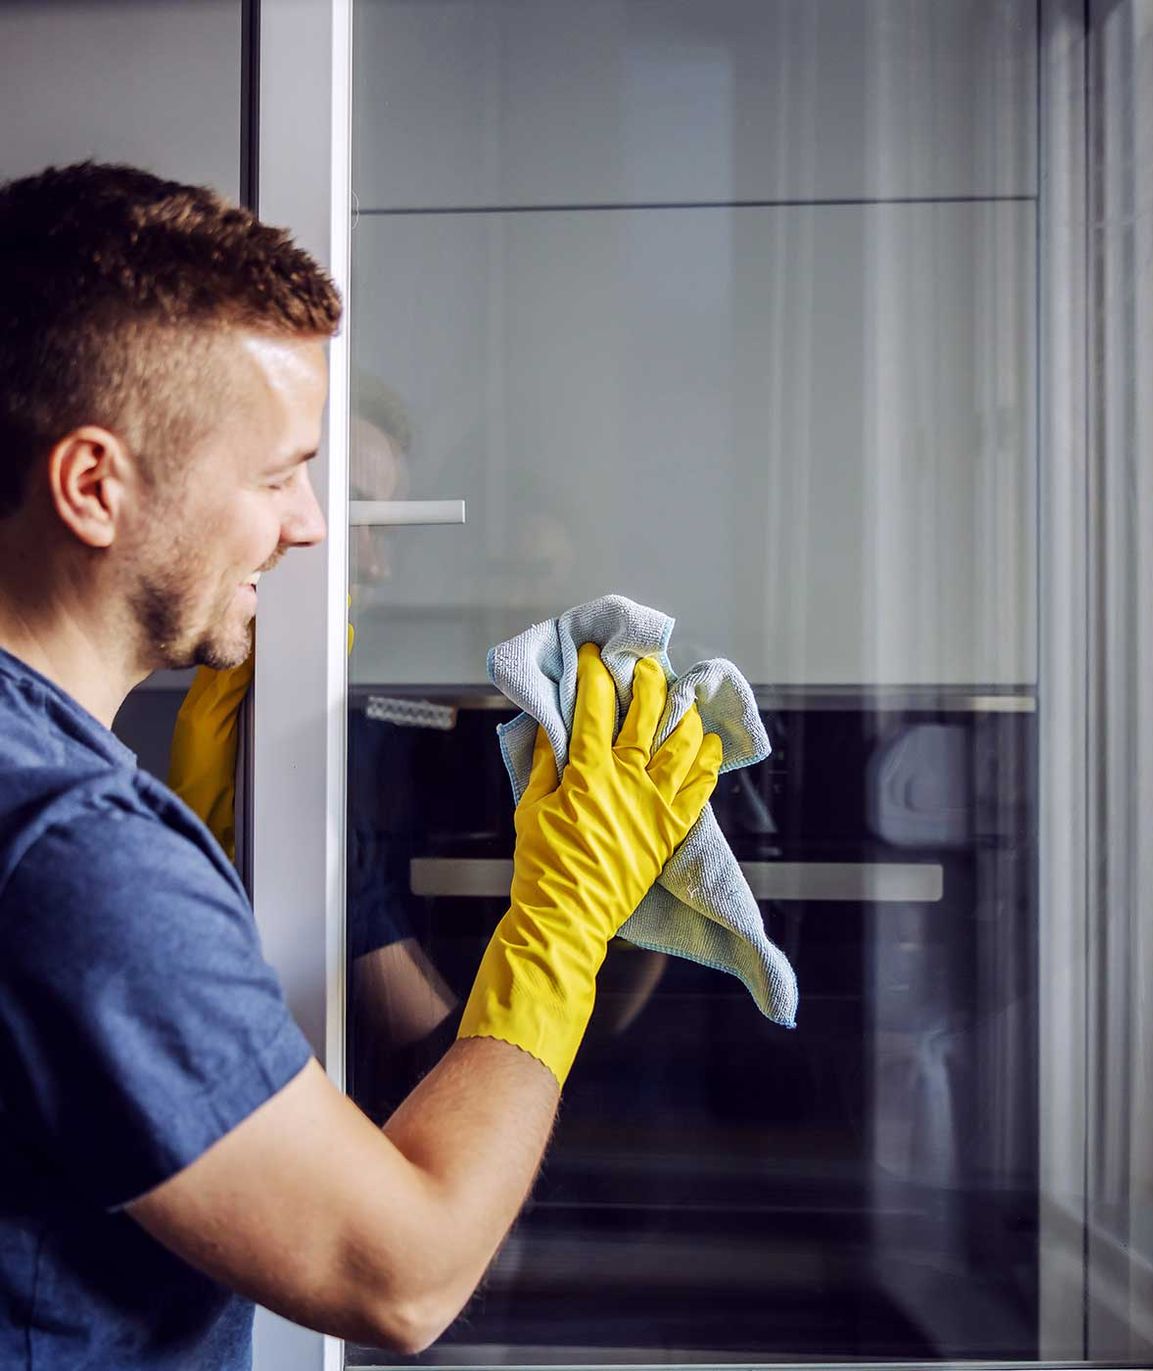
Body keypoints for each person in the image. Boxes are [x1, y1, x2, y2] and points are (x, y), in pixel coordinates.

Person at [0, 161, 722, 1370]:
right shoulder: (73, 848)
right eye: (278, 472)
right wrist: (561, 918)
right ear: (92, 486)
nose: (311, 526)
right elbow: (403, 1278)